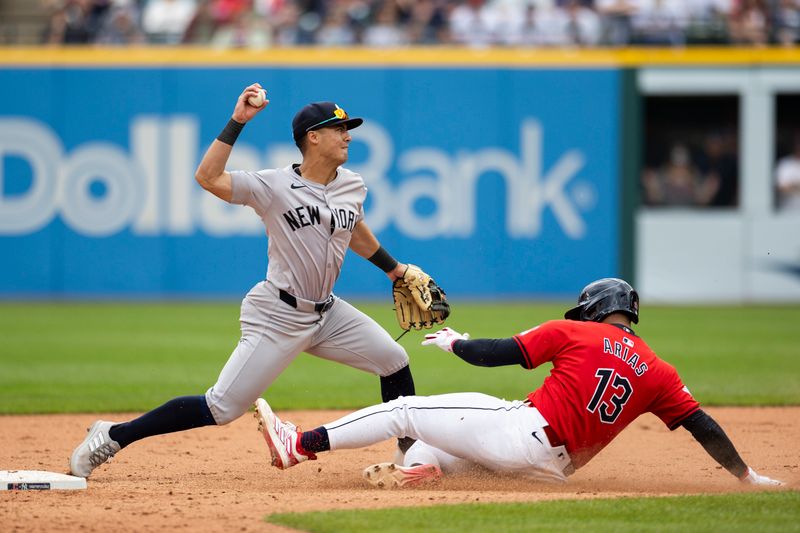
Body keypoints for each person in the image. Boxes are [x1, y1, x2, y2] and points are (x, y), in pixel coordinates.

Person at [69, 84, 433, 478]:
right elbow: (208, 177)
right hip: (278, 313)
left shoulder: (352, 185)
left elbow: (353, 228)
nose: (348, 135)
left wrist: (393, 269)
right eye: (339, 128)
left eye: (348, 129)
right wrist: (237, 121)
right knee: (221, 407)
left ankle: (407, 457)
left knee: (394, 362)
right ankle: (111, 436)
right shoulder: (272, 185)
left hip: (327, 312)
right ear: (313, 137)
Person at [254, 278, 785, 489]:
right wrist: (746, 476)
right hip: (552, 472)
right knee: (431, 447)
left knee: (405, 410)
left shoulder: (574, 331)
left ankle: (297, 445)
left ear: (594, 311)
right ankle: (423, 471)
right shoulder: (660, 372)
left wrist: (456, 343)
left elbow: (497, 355)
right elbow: (703, 425)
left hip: (520, 434)